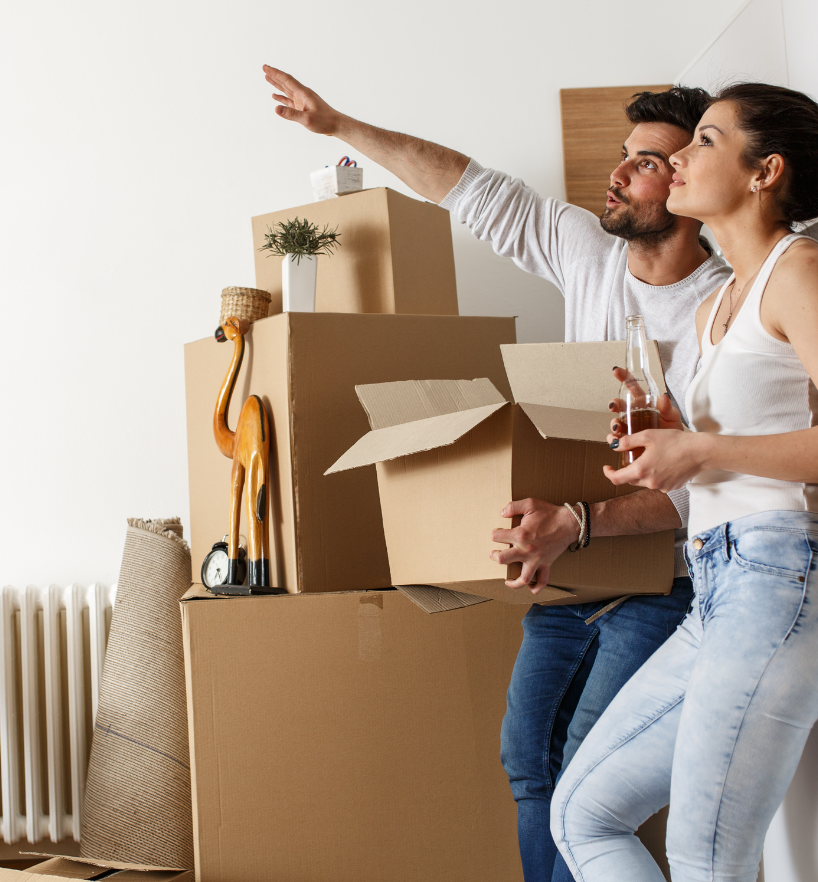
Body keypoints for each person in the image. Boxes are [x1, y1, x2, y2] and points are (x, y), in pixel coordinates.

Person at [264, 64, 731, 882]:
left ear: (691, 185)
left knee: (589, 777)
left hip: (663, 583)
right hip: (568, 574)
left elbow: (710, 489)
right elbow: (462, 185)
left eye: (647, 161)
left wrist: (578, 520)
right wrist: (340, 126)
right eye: (622, 153)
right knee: (528, 764)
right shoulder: (588, 253)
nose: (616, 173)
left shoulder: (720, 311)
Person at [549, 83, 818, 882]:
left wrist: (704, 452)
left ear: (764, 171)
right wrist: (674, 431)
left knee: (705, 861)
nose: (677, 157)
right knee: (583, 813)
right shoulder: (722, 304)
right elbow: (742, 438)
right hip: (724, 587)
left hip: (785, 579)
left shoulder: (802, 272)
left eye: (703, 141)